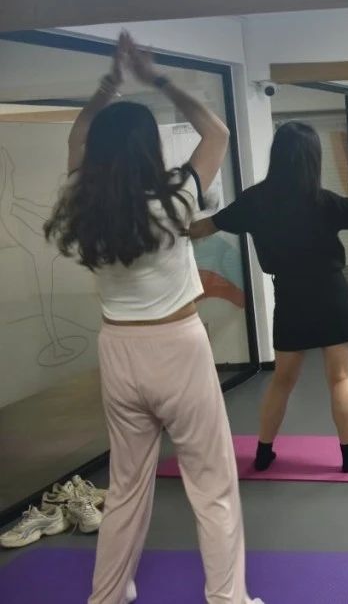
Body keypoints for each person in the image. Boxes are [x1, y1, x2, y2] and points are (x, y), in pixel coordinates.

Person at [43, 33, 261, 604]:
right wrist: (156, 78)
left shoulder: (83, 205)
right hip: (177, 346)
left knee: (125, 487)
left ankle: (108, 596)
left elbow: (76, 137)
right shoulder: (174, 201)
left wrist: (106, 89)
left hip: (118, 350)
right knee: (211, 484)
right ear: (148, 149)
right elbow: (218, 133)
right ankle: (228, 599)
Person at [190, 122, 348, 473]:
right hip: (330, 293)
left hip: (289, 295)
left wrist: (154, 228)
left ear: (277, 155)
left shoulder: (254, 200)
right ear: (313, 158)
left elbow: (203, 227)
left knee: (282, 380)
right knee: (340, 378)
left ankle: (263, 453)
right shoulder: (322, 201)